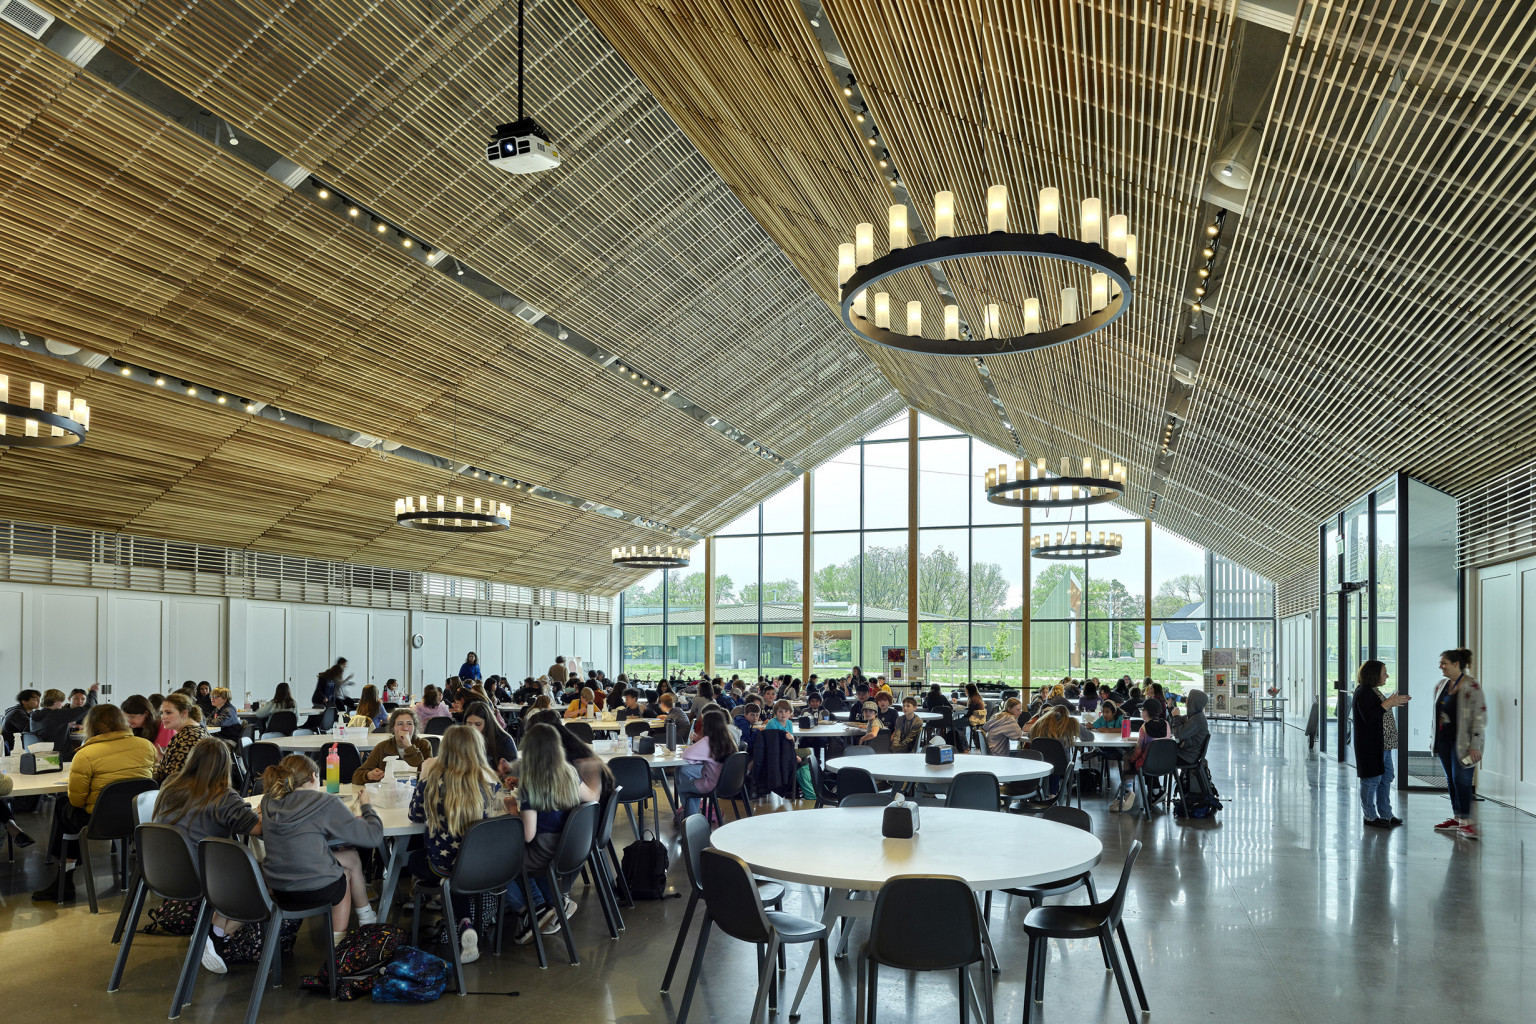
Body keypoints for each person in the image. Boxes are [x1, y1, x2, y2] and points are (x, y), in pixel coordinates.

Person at [153, 737, 263, 973]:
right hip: (204, 876)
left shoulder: (169, 786)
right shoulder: (223, 796)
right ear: (225, 766)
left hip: (162, 872)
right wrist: (264, 812)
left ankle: (214, 935)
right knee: (267, 883)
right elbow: (258, 829)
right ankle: (214, 934)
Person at [408, 724, 515, 963]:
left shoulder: (433, 782)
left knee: (416, 860)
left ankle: (458, 918)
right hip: (485, 866)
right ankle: (464, 922)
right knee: (460, 868)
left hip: (443, 865)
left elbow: (415, 815)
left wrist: (423, 775)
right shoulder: (490, 782)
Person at [32, 704, 156, 901]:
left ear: (91, 724)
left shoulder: (86, 754)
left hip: (98, 821)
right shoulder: (146, 746)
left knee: (64, 806)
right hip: (137, 817)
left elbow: (77, 800)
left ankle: (66, 874)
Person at [259, 754, 383, 946]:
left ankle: (367, 918)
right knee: (343, 874)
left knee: (351, 857)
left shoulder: (268, 800)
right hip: (315, 888)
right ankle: (339, 943)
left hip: (280, 888)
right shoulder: (324, 802)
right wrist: (367, 806)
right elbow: (373, 836)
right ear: (313, 776)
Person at [505, 723, 594, 940]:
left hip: (543, 852)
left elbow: (527, 835)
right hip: (569, 848)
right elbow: (592, 798)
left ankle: (536, 908)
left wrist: (513, 808)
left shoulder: (531, 784)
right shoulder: (569, 773)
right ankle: (555, 902)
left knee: (502, 861)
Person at [1432, 648, 1485, 839]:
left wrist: (1475, 745)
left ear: (1456, 664)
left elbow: (1479, 718)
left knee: (1462, 781)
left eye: (1444, 663)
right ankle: (1457, 819)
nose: (1441, 666)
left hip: (1465, 744)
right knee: (1452, 780)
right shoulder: (1441, 685)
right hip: (1444, 742)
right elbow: (1437, 714)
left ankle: (1467, 822)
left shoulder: (1472, 686)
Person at [1353, 660, 1409, 829]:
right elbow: (1369, 718)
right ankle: (1370, 816)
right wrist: (1388, 704)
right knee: (1371, 780)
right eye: (1384, 673)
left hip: (1383, 746)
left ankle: (1386, 814)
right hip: (1371, 746)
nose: (1387, 676)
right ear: (1373, 674)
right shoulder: (1363, 692)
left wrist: (1390, 702)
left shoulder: (1373, 691)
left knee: (1386, 777)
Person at [675, 708, 736, 821]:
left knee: (683, 788)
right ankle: (693, 813)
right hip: (728, 782)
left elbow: (686, 754)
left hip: (712, 784)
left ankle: (691, 818)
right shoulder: (728, 738)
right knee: (682, 770)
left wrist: (699, 742)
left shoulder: (708, 741)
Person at [1111, 700, 1171, 812]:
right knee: (1150, 758)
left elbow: (1138, 751)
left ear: (1146, 712)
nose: (1141, 712)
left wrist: (1132, 758)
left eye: (1142, 710)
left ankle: (1128, 790)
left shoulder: (1144, 728)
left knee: (1127, 757)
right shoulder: (1166, 724)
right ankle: (1155, 791)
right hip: (1165, 763)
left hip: (1147, 765)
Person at [354, 708, 433, 784]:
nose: (405, 728)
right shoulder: (382, 747)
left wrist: (409, 746)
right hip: (388, 791)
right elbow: (356, 776)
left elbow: (429, 775)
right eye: (400, 724)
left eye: (409, 724)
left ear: (414, 727)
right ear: (393, 728)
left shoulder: (423, 745)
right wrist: (369, 775)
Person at [28, 683, 98, 757]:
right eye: (61, 702)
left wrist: (74, 728)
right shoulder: (56, 714)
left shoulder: (34, 715)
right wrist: (93, 692)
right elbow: (88, 708)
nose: (62, 705)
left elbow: (50, 731)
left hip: (43, 756)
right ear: (55, 701)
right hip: (60, 755)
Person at [153, 692, 209, 783]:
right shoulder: (197, 730)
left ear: (184, 713)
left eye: (168, 713)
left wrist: (161, 764)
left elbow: (171, 779)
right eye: (162, 713)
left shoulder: (187, 737)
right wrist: (164, 759)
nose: (163, 717)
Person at [463, 700, 517, 779]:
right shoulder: (463, 739)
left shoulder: (504, 740)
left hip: (498, 784)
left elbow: (514, 775)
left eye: (478, 724)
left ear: (488, 724)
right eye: (469, 723)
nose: (472, 728)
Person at [3, 689, 42, 753]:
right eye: (35, 699)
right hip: (14, 750)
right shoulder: (17, 713)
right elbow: (32, 729)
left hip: (21, 747)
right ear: (24, 701)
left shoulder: (27, 712)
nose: (39, 701)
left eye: (39, 698)